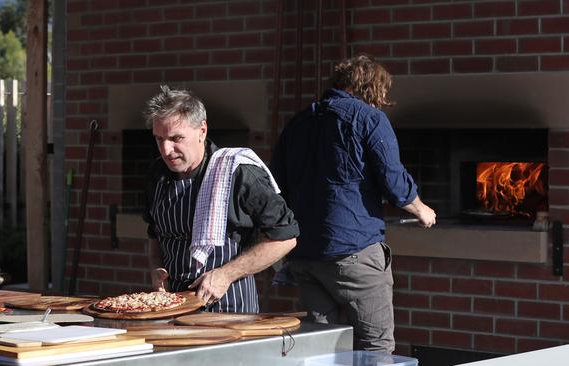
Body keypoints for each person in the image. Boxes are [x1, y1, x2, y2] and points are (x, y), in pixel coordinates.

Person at [270, 54, 436, 353]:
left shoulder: (298, 122)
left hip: (305, 254)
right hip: (354, 250)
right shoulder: (369, 119)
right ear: (372, 89)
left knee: (321, 349)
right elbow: (394, 181)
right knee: (375, 345)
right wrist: (422, 209)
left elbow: (277, 184)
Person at [143, 85, 299, 313]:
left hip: (229, 310)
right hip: (172, 309)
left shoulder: (237, 171)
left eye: (176, 138)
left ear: (202, 131)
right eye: (159, 139)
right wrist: (156, 267)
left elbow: (286, 237)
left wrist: (226, 274)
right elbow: (154, 233)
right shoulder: (157, 174)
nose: (166, 150)